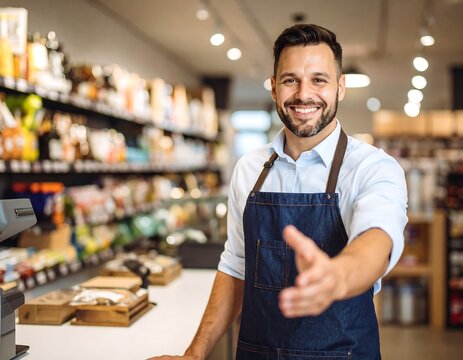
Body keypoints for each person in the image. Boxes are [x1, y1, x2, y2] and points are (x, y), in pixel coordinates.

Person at [150, 23, 408, 360]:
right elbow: (235, 267)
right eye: (290, 80)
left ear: (340, 87)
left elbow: (376, 240)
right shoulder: (249, 169)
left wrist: (338, 275)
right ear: (273, 88)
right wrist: (195, 354)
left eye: (319, 79)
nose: (304, 94)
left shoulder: (373, 168)